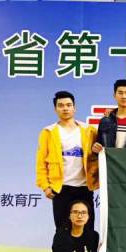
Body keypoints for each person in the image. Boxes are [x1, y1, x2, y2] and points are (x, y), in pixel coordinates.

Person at [36, 91, 98, 230]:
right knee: (62, 230)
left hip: (84, 187)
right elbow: (41, 162)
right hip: (61, 188)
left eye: (69, 105)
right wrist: (45, 186)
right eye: (61, 105)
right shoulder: (48, 132)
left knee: (87, 229)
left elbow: (99, 155)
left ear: (74, 108)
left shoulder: (89, 131)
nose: (65, 108)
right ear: (55, 109)